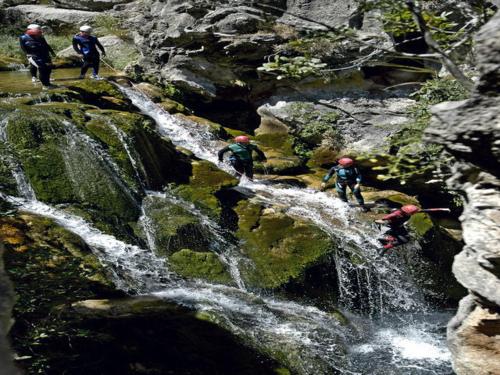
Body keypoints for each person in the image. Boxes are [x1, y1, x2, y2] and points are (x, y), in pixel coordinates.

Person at [375, 205, 450, 255]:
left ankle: (385, 240)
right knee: (405, 239)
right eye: (413, 213)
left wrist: (443, 209)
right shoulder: (398, 213)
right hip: (392, 227)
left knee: (404, 237)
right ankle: (384, 248)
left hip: (399, 227)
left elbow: (428, 210)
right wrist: (382, 219)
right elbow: (390, 216)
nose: (414, 214)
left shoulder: (408, 213)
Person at [19, 24, 56, 89]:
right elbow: (23, 47)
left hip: (44, 55)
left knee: (48, 68)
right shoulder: (23, 37)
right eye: (38, 30)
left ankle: (48, 83)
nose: (40, 32)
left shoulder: (41, 37)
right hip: (33, 56)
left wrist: (52, 52)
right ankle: (45, 85)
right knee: (42, 68)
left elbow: (46, 45)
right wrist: (28, 54)